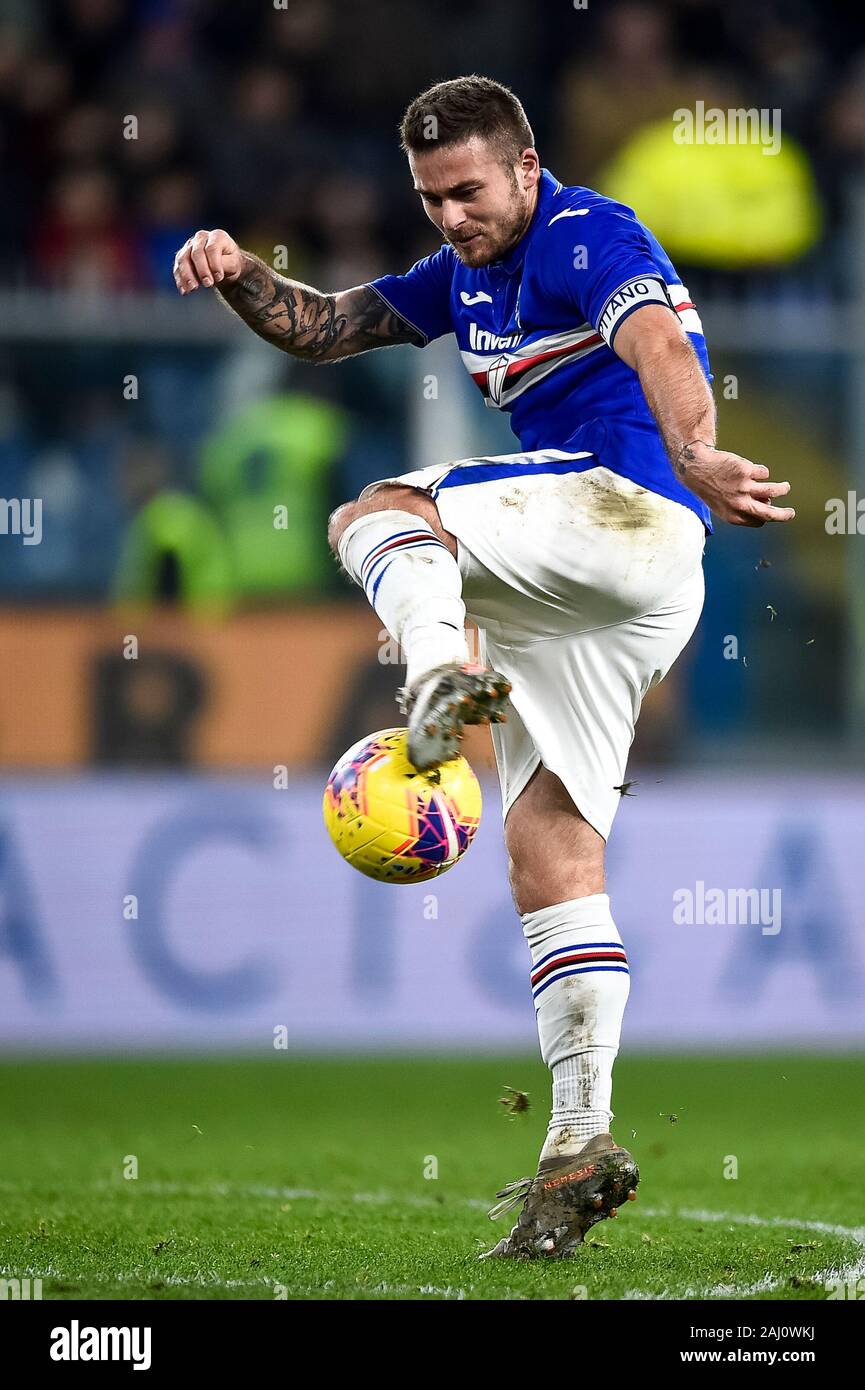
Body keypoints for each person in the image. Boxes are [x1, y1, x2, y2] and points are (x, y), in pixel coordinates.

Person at [173, 75, 795, 1261]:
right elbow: (327, 326)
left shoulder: (581, 229)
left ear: (522, 165)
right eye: (430, 197)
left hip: (626, 511)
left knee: (377, 511)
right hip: (599, 596)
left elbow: (655, 338)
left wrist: (699, 450)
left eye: (467, 191)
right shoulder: (459, 271)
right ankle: (578, 1143)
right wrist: (239, 271)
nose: (451, 216)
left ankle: (430, 685)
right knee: (548, 849)